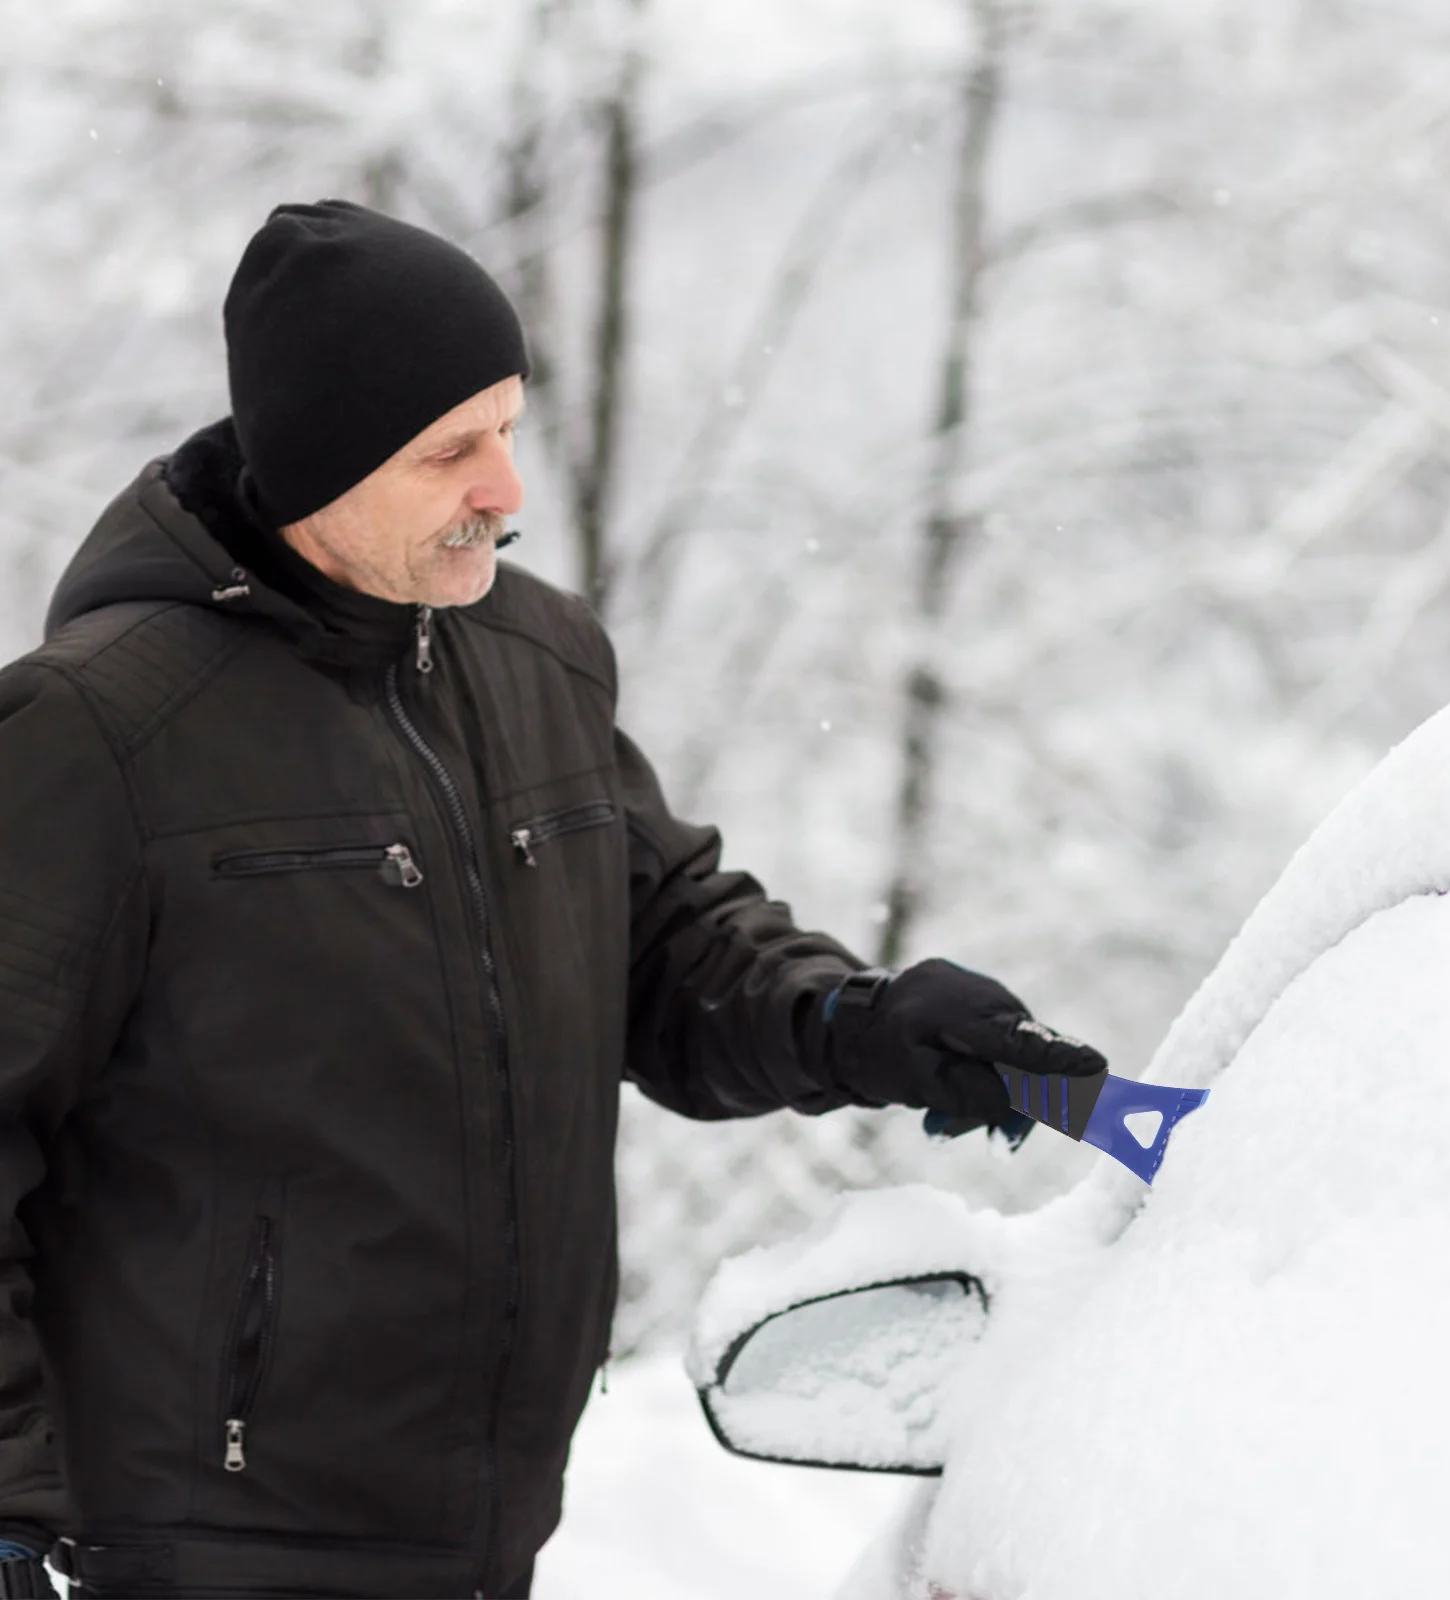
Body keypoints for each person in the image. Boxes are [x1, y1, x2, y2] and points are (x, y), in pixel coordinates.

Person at [0, 201, 1105, 1599]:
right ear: (315, 469)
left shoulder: (538, 658)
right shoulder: (103, 732)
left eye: (509, 428)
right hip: (193, 1543)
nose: (507, 489)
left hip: (488, 1529)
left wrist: (854, 1021)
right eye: (451, 450)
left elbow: (661, 944)